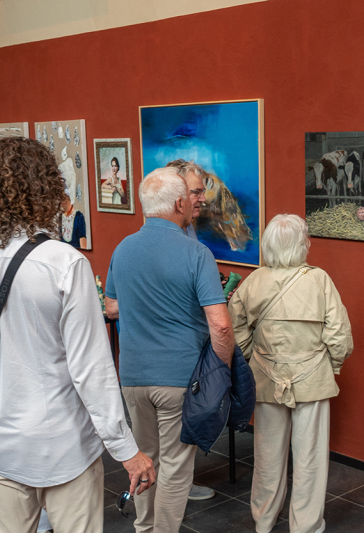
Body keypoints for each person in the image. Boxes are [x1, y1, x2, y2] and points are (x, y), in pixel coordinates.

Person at [0, 136, 155, 533]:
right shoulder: (64, 263)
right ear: (47, 187)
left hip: (2, 441)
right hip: (62, 445)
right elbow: (91, 369)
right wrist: (126, 451)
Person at [105, 167, 234, 533]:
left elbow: (111, 308)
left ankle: (144, 528)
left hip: (132, 377)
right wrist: (222, 370)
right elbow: (220, 324)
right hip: (178, 380)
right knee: (176, 468)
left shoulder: (123, 248)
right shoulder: (196, 253)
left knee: (144, 460)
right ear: (179, 203)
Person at [229, 214, 353, 533]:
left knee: (267, 457)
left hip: (266, 378)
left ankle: (264, 520)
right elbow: (340, 336)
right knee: (310, 459)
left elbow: (235, 326)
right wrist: (331, 367)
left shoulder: (254, 281)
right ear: (301, 244)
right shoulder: (319, 280)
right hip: (312, 379)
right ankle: (306, 527)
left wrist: (249, 357)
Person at [165, 158, 218, 502]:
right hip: (172, 352)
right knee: (169, 433)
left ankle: (179, 485)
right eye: (197, 192)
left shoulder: (189, 229)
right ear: (178, 194)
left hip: (185, 345)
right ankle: (172, 494)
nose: (203, 198)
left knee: (177, 431)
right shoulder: (167, 234)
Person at [166, 158, 207, 240]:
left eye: (202, 191)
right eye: (197, 192)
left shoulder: (188, 227)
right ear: (176, 193)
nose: (203, 199)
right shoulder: (165, 236)